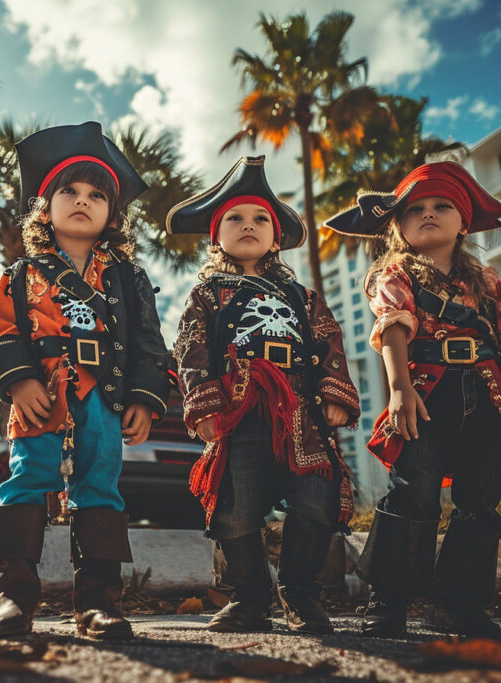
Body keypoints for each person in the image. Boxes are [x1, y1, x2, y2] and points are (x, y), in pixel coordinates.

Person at [324, 161, 501, 639]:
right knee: (413, 492)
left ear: (463, 222)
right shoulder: (395, 272)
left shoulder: (487, 281)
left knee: (481, 498)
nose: (429, 214)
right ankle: (387, 602)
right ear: (399, 227)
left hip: (490, 394)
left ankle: (456, 605)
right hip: (426, 392)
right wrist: (400, 389)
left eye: (442, 206)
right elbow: (392, 328)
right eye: (416, 209)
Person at [0, 122, 171, 640]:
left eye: (95, 194)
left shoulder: (129, 277)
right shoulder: (20, 274)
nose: (82, 201)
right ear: (46, 205)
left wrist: (145, 399)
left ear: (112, 212)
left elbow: (151, 343)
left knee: (100, 487)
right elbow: (2, 334)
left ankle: (98, 600)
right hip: (38, 395)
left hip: (104, 398)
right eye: (69, 190)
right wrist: (19, 382)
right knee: (25, 481)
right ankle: (14, 595)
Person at [168, 156, 359, 634]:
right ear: (216, 236)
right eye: (235, 218)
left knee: (316, 501)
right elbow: (190, 348)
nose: (248, 225)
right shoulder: (207, 295)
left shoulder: (302, 297)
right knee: (235, 508)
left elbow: (329, 341)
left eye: (260, 220)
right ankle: (250, 598)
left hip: (303, 414)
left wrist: (335, 393)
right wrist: (205, 405)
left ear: (277, 238)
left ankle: (300, 595)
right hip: (238, 413)